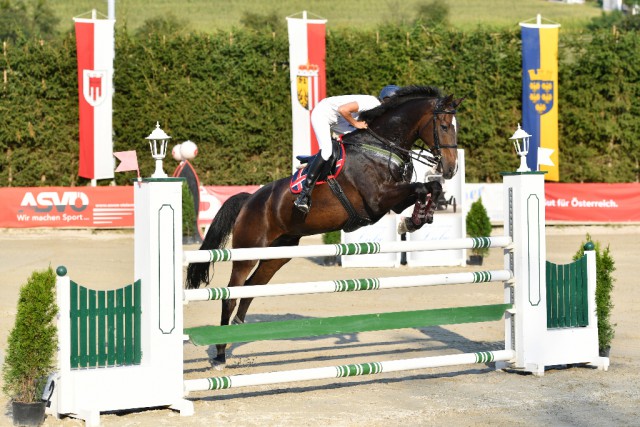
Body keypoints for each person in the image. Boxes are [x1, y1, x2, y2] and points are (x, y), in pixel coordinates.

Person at [294, 85, 401, 213]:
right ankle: (304, 195)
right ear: (387, 99)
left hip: (337, 119)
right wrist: (356, 124)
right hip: (323, 113)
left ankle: (312, 160)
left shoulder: (378, 108)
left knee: (361, 136)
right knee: (327, 151)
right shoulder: (372, 102)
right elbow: (343, 109)